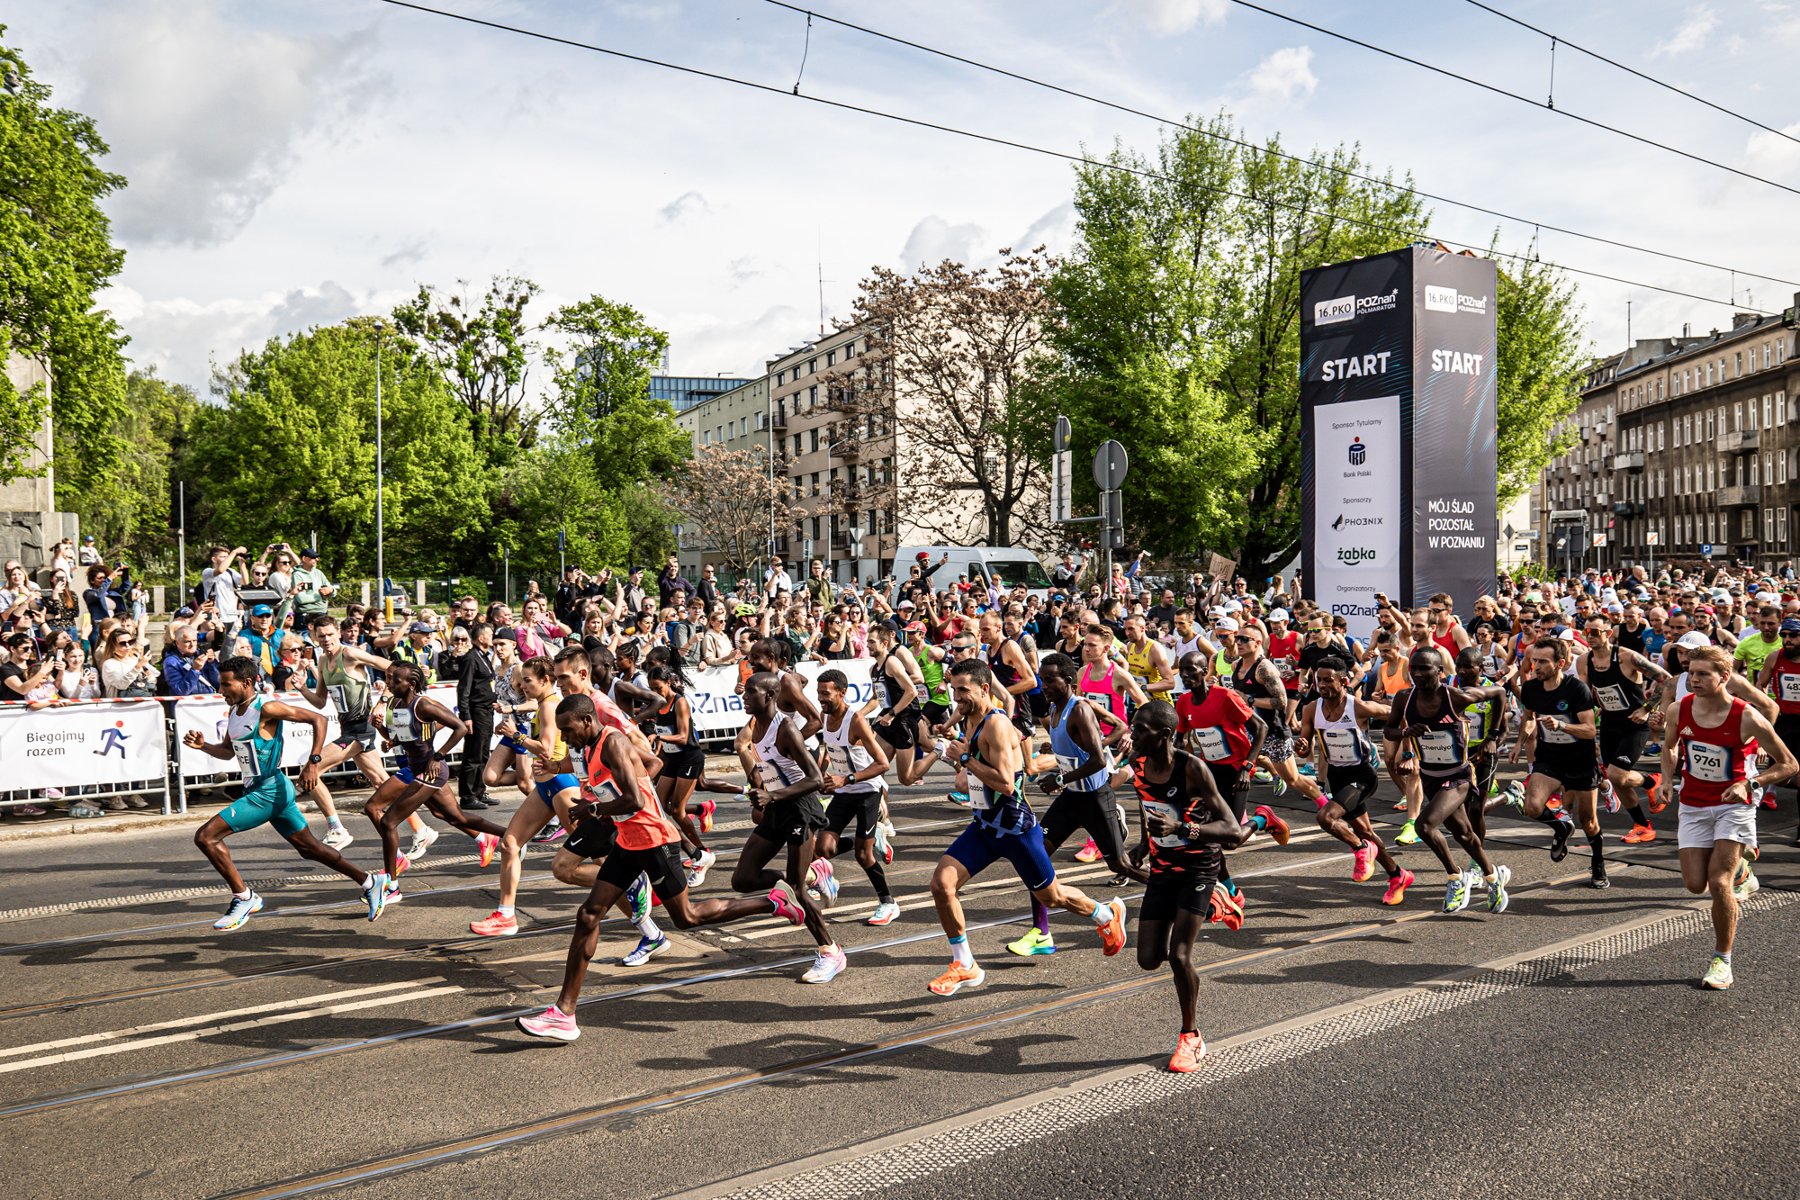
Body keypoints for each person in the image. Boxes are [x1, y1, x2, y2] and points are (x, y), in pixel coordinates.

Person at [514, 692, 790, 1043]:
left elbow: (636, 799)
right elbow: (630, 769)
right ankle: (564, 1014)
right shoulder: (587, 747)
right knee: (588, 915)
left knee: (687, 918)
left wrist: (594, 810)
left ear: (587, 721)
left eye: (568, 731)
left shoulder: (612, 742)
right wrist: (572, 776)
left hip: (655, 841)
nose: (565, 738)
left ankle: (774, 902)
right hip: (629, 842)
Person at [926, 658, 1127, 997]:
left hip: (1016, 830)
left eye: (963, 690)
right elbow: (971, 773)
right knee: (941, 885)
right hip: (986, 827)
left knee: (1053, 896)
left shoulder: (997, 725)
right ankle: (964, 964)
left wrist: (964, 759)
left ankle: (1106, 913)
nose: (956, 697)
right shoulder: (970, 715)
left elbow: (1006, 783)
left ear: (984, 689)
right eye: (954, 689)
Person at [184, 656, 389, 931]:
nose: (220, 690)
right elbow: (227, 752)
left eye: (225, 684)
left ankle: (244, 897)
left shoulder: (266, 707)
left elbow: (318, 719)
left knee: (206, 837)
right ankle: (369, 881)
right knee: (310, 848)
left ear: (246, 683)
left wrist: (313, 763)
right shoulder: (234, 711)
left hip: (269, 790)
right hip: (264, 789)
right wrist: (203, 746)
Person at [1658, 646, 1797, 990]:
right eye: (1691, 672)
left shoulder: (1747, 716)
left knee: (1719, 884)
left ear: (1724, 677)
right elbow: (1670, 746)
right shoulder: (1680, 708)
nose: (1694, 679)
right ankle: (1744, 869)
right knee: (1694, 883)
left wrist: (1749, 784)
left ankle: (1722, 960)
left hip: (1734, 804)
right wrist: (1665, 779)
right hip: (1692, 802)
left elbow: (1789, 765)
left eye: (1703, 673)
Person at [1127, 699, 1253, 1072]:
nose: (1132, 734)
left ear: (1164, 735)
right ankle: (1218, 902)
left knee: (1180, 956)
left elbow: (1230, 831)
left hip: (1199, 866)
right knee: (1149, 959)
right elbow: (1147, 804)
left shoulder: (1192, 768)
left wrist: (1182, 828)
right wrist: (1141, 844)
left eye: (1140, 729)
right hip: (1164, 868)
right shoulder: (1138, 765)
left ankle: (1191, 1037)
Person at [1012, 652, 1148, 955]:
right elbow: (1115, 727)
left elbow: (1100, 759)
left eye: (1050, 680)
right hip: (1072, 798)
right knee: (1037, 856)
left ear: (1069, 681)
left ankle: (1172, 894)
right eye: (1042, 679)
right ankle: (1041, 933)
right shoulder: (1054, 707)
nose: (1043, 685)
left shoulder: (1080, 710)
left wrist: (1063, 775)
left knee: (1120, 864)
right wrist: (1066, 748)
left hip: (1096, 798)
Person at [732, 671, 846, 984]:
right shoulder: (756, 726)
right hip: (776, 808)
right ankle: (813, 873)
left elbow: (814, 780)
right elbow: (767, 767)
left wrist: (774, 793)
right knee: (743, 879)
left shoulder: (786, 729)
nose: (744, 695)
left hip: (799, 810)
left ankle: (830, 951)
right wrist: (761, 792)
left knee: (795, 891)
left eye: (751, 692)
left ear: (769, 696)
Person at [364, 663, 508, 902]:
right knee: (453, 817)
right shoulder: (396, 704)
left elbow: (461, 727)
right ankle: (506, 835)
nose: (390, 684)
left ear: (410, 684)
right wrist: (386, 737)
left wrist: (439, 755)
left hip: (431, 771)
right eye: (389, 680)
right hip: (413, 769)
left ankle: (392, 886)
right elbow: (401, 736)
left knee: (389, 821)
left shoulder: (424, 705)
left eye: (395, 681)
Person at [1385, 646, 1511, 914]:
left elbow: (1499, 693)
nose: (1418, 674)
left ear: (1440, 672)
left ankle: (1456, 876)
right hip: (1431, 776)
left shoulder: (1455, 697)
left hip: (1458, 777)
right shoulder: (1404, 698)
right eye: (1414, 668)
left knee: (1425, 826)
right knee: (1464, 834)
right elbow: (1389, 730)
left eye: (1425, 669)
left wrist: (1493, 737)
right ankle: (1492, 876)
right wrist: (1407, 730)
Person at [1297, 658, 1411, 902]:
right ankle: (1397, 875)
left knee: (1326, 817)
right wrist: (1302, 745)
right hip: (1337, 776)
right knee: (1365, 830)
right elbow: (1304, 750)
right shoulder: (1310, 709)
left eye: (1328, 680)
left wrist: (1408, 751)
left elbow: (1399, 715)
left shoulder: (1358, 706)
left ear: (1344, 682)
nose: (1322, 685)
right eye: (1319, 680)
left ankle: (1360, 848)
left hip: (1362, 774)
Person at [1512, 638, 1608, 889]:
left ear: (1560, 664)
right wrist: (1519, 743)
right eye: (1534, 660)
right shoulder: (1531, 688)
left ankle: (1598, 863)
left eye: (1543, 661)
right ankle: (1561, 828)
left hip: (1580, 761)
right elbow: (1529, 718)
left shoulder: (1577, 689)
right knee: (1531, 807)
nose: (1536, 666)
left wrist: (1562, 725)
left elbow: (1589, 730)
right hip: (1549, 758)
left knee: (1588, 821)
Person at [813, 668, 899, 924]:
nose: (821, 699)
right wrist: (822, 777)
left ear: (842, 692)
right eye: (819, 694)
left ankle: (888, 903)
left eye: (826, 694)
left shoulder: (856, 720)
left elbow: (883, 763)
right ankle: (874, 836)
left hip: (867, 791)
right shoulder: (825, 716)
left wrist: (845, 779)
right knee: (823, 848)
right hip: (842, 791)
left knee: (864, 856)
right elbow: (830, 751)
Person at [1576, 616, 1668, 845]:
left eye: (1596, 631)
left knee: (1617, 774)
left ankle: (1650, 782)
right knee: (1617, 779)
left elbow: (1666, 680)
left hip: (1634, 724)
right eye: (1587, 631)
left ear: (1608, 633)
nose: (1590, 635)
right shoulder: (1583, 661)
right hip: (1609, 722)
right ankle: (1642, 824)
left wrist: (1646, 709)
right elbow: (1586, 693)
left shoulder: (1627, 657)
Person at [644, 663, 717, 887]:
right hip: (671, 759)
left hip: (689, 757)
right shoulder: (657, 705)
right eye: (651, 689)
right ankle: (698, 849)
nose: (656, 693)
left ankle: (701, 855)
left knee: (677, 809)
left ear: (668, 683)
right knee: (659, 804)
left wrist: (659, 738)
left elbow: (684, 737)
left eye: (658, 688)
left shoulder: (680, 702)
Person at [1756, 616, 1800, 845]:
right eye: (1785, 635)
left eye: (1793, 635)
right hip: (1784, 721)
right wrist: (1767, 705)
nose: (1787, 640)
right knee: (1777, 772)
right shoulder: (1775, 657)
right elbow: (1760, 685)